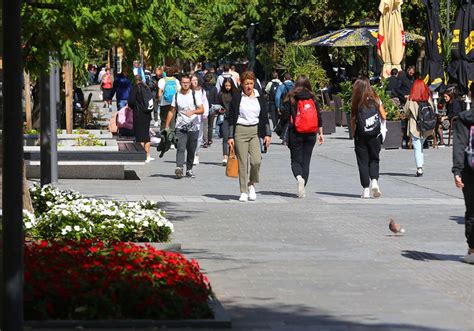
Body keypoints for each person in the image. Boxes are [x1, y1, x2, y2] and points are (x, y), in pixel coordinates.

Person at [228, 71, 271, 202]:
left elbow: (264, 116)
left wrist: (267, 134)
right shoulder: (237, 97)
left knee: (256, 161)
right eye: (246, 83)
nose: (249, 86)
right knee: (242, 163)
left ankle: (251, 183)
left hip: (255, 131)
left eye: (251, 83)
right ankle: (243, 191)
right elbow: (231, 117)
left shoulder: (259, 96)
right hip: (240, 130)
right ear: (242, 84)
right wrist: (230, 136)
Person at [281, 75, 324, 198]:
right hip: (311, 133)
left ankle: (299, 177)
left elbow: (285, 115)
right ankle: (303, 186)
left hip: (296, 132)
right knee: (306, 161)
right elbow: (319, 117)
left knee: (295, 160)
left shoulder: (291, 97)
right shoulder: (313, 98)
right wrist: (320, 133)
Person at [351, 78, 386, 198]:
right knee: (374, 159)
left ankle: (366, 189)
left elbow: (353, 120)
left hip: (360, 136)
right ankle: (375, 182)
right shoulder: (375, 98)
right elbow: (384, 116)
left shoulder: (356, 101)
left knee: (363, 162)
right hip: (375, 135)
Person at [165, 75, 204, 179]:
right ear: (180, 83)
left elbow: (202, 109)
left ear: (190, 83)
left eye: (187, 82)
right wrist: (167, 125)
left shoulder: (195, 95)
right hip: (180, 126)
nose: (185, 84)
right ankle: (179, 168)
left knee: (191, 149)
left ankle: (189, 169)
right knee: (180, 148)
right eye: (183, 82)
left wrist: (193, 111)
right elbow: (172, 110)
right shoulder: (176, 95)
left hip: (193, 127)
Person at [452, 83, 474, 264]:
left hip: (469, 170)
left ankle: (472, 249)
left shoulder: (464, 119)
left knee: (472, 210)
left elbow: (459, 145)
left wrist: (457, 171)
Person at [403, 79, 435, 177]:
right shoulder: (428, 97)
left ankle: (419, 168)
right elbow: (433, 109)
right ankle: (421, 164)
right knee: (420, 145)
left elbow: (405, 112)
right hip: (426, 126)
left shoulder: (411, 99)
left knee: (417, 146)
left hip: (415, 126)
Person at [128, 75, 153, 162]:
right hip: (147, 114)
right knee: (146, 134)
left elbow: (130, 101)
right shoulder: (146, 88)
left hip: (138, 114)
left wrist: (133, 106)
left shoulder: (135, 88)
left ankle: (141, 156)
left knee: (139, 136)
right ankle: (148, 155)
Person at [218, 77, 237, 166]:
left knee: (233, 137)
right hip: (225, 117)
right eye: (226, 85)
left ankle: (232, 155)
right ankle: (225, 157)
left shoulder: (236, 94)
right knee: (225, 137)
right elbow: (216, 105)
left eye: (229, 85)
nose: (228, 87)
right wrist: (219, 109)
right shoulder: (221, 94)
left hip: (234, 118)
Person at [191, 74, 209, 165]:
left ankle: (195, 153)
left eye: (195, 80)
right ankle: (192, 154)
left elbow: (205, 102)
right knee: (190, 136)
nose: (194, 81)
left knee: (199, 137)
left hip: (199, 117)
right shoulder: (188, 91)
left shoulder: (202, 91)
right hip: (189, 117)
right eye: (192, 80)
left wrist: (205, 113)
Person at [158, 66, 180, 131]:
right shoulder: (176, 81)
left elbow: (159, 94)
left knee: (164, 121)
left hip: (164, 103)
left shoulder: (162, 80)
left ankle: (163, 136)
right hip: (173, 103)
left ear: (165, 72)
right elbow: (178, 92)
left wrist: (159, 101)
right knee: (172, 121)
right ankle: (172, 136)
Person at [275, 73, 294, 144]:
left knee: (284, 121)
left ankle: (284, 138)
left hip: (285, 106)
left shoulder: (282, 86)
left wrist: (278, 107)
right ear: (291, 78)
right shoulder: (294, 85)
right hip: (293, 106)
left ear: (284, 79)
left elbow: (277, 97)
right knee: (290, 122)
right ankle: (287, 138)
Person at [202, 72, 218, 148]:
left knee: (204, 125)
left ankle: (205, 140)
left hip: (203, 108)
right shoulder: (214, 88)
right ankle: (209, 139)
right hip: (212, 107)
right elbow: (216, 99)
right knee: (211, 125)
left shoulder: (202, 87)